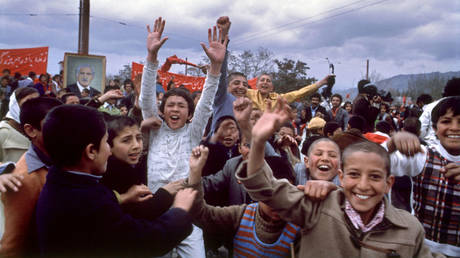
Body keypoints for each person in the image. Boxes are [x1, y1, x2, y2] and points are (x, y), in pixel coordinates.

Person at [235, 98, 439, 257]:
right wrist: (259, 140)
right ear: (341, 177)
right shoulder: (316, 206)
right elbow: (264, 188)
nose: (363, 185)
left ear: (389, 183)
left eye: (375, 177)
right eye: (354, 174)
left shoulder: (410, 229)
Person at [36, 104, 195, 257]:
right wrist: (179, 210)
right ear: (91, 151)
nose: (109, 151)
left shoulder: (60, 179)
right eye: (106, 142)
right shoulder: (89, 202)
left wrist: (122, 198)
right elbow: (145, 242)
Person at [139, 17, 227, 257]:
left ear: (190, 113)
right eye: (170, 105)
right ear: (163, 109)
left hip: (187, 214)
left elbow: (207, 101)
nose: (175, 110)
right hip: (154, 212)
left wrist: (215, 68)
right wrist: (151, 58)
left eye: (181, 106)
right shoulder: (155, 128)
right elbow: (146, 99)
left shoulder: (192, 132)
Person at [186, 145, 311, 258]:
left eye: (283, 196)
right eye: (270, 195)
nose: (276, 203)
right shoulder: (240, 216)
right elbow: (200, 214)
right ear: (256, 192)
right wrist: (195, 173)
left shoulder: (299, 226)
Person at [383, 96, 460, 257]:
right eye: (446, 121)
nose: (454, 128)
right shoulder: (423, 155)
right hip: (422, 248)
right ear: (434, 128)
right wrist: (390, 145)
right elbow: (373, 164)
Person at [0, 97, 62, 257]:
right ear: (30, 130)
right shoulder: (24, 180)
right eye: (55, 123)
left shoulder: (61, 159)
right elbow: (12, 246)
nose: (66, 129)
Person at [0, 88, 39, 163]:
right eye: (28, 102)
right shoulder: (3, 132)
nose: (33, 106)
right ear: (15, 105)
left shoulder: (41, 130)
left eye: (37, 102)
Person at [419, 77, 460, 145]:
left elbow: (421, 129)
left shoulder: (430, 107)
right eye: (446, 121)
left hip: (432, 145)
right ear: (434, 128)